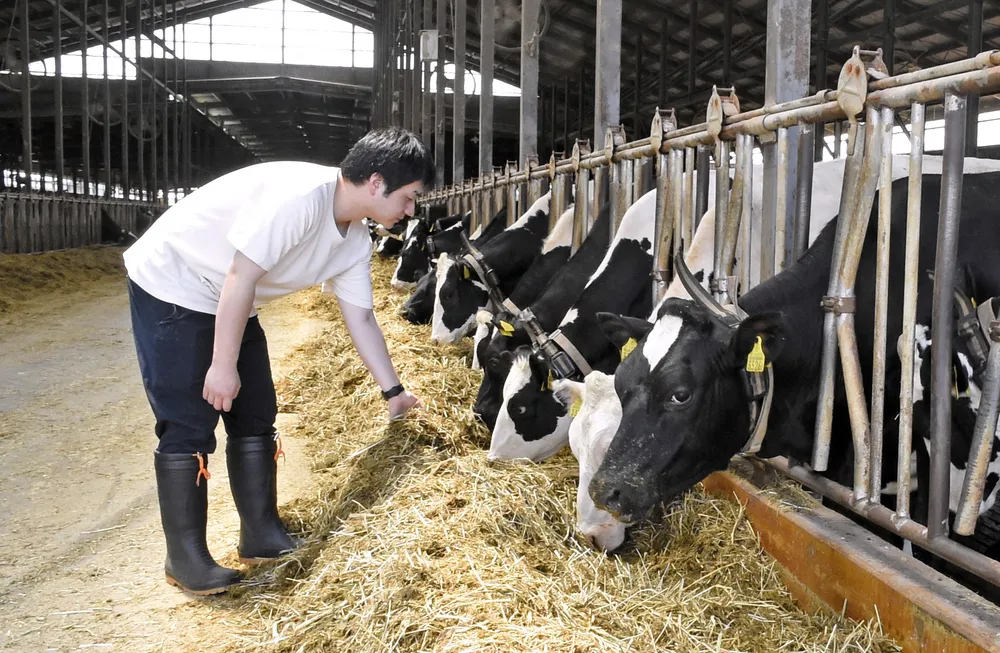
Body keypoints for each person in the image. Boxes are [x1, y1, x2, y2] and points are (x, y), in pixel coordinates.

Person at [123, 127, 434, 595]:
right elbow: (239, 275)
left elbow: (363, 319)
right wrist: (222, 365)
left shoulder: (354, 241)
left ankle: (261, 533)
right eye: (409, 197)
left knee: (256, 411)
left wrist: (394, 392)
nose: (411, 210)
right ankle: (184, 558)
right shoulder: (301, 199)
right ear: (376, 182)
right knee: (189, 419)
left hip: (231, 297)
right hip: (176, 279)